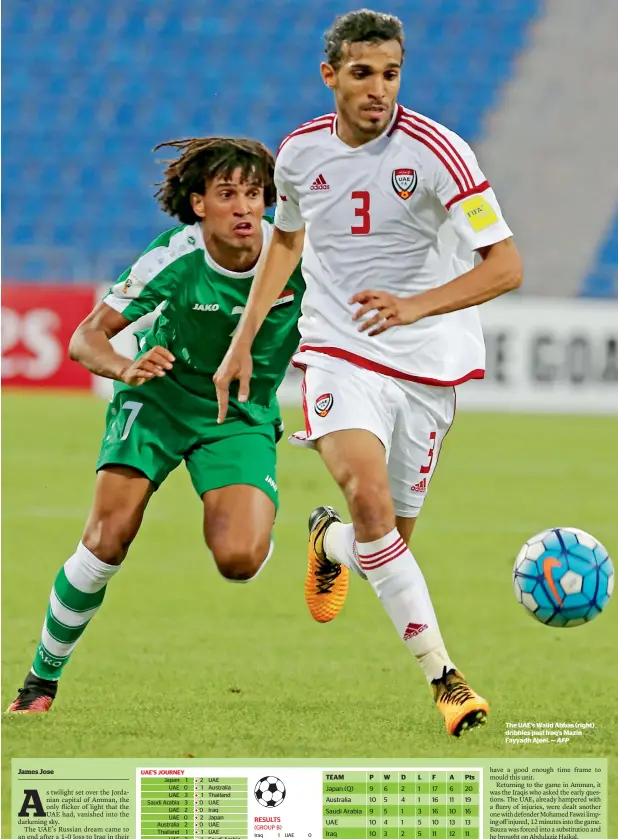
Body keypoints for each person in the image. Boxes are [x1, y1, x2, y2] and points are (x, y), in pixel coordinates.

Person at [214, 10, 523, 737]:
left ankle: (328, 543)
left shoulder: (441, 151)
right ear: (331, 76)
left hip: (426, 361)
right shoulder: (297, 154)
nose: (378, 89)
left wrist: (415, 307)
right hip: (338, 347)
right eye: (362, 74)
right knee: (370, 497)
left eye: (390, 74)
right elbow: (286, 240)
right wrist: (243, 339)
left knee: (387, 541)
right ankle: (446, 679)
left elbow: (505, 266)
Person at [8, 137, 304, 713]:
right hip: (159, 398)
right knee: (107, 536)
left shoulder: (297, 256)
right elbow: (84, 338)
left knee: (239, 561)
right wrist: (125, 366)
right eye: (227, 194)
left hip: (237, 412)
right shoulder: (176, 256)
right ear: (199, 204)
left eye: (254, 194)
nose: (245, 207)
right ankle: (40, 680)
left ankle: (314, 534)